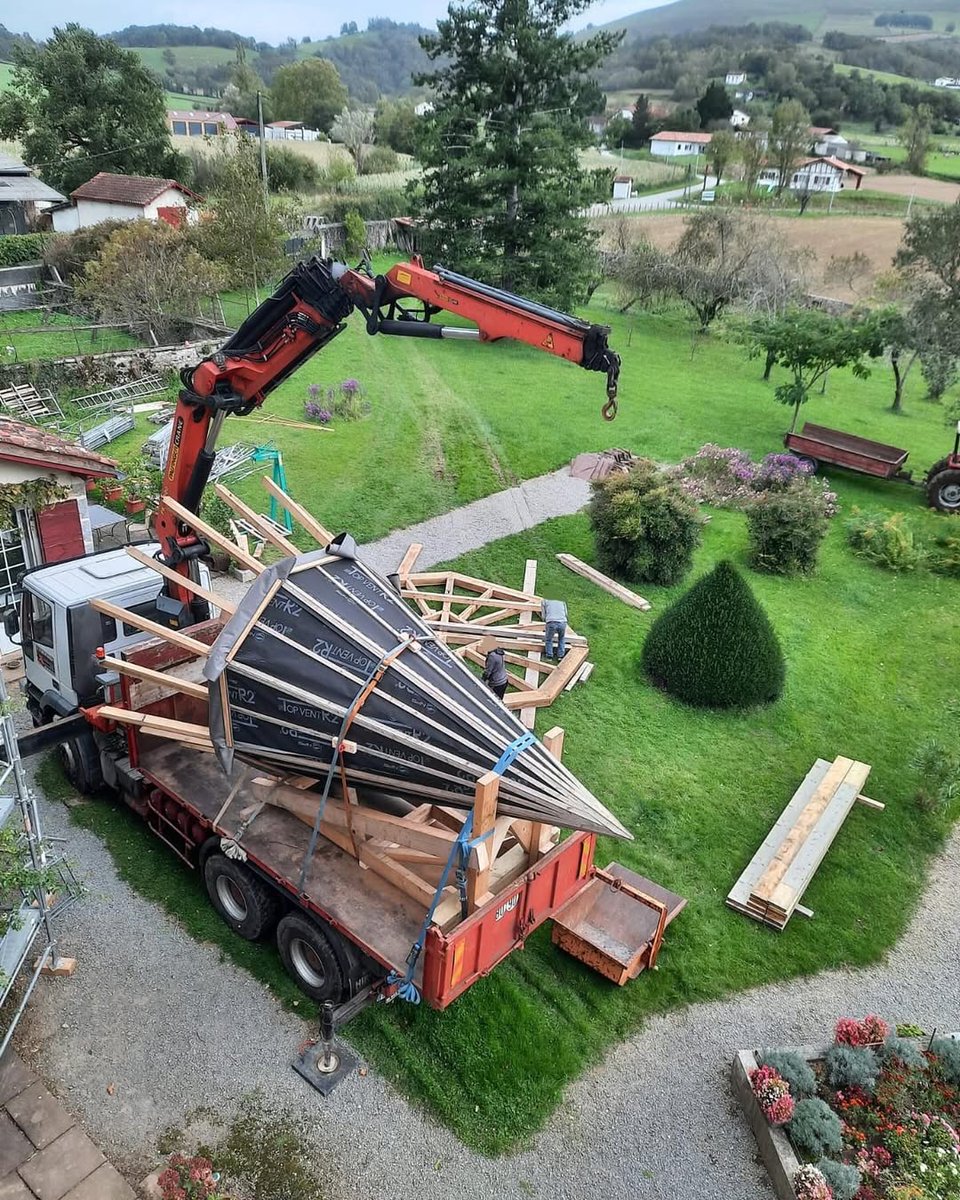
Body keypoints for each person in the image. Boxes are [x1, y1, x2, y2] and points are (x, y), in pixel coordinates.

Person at [541, 597, 568, 661]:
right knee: (561, 638)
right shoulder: (562, 599)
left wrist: (545, 621)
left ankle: (549, 656)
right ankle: (560, 656)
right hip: (562, 622)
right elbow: (566, 613)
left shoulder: (544, 600)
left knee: (548, 639)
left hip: (551, 622)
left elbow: (543, 615)